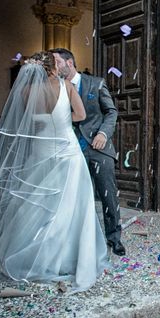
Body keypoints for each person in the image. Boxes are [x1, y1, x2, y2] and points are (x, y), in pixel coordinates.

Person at [0, 52, 108, 293]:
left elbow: (26, 120)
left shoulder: (26, 92)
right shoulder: (67, 87)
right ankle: (67, 256)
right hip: (67, 150)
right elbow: (80, 116)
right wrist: (62, 119)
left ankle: (34, 255)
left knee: (36, 202)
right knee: (71, 205)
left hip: (40, 150)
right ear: (53, 68)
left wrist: (45, 121)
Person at [50, 48, 125, 256]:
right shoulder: (55, 87)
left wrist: (103, 133)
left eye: (57, 61)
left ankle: (114, 238)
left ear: (69, 62)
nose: (54, 66)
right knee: (75, 196)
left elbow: (111, 112)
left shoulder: (96, 83)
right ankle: (79, 239)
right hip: (71, 149)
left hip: (98, 148)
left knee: (107, 194)